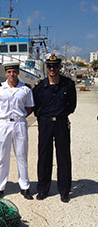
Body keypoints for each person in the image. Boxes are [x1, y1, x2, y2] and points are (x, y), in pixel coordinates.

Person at [32, 52, 77, 203]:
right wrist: (43, 118)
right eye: (50, 66)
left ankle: (64, 191)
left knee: (63, 157)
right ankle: (43, 189)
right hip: (45, 123)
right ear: (46, 67)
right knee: (44, 156)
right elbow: (36, 106)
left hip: (61, 123)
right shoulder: (40, 86)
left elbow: (72, 106)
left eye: (55, 66)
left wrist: (61, 115)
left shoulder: (68, 85)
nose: (53, 69)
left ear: (60, 67)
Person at [0, 62, 34, 200]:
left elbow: (29, 108)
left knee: (22, 155)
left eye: (14, 71)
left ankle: (25, 186)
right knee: (2, 156)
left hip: (20, 123)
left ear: (18, 72)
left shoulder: (26, 89)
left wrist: (18, 117)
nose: (12, 74)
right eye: (9, 72)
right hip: (3, 124)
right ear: (5, 73)